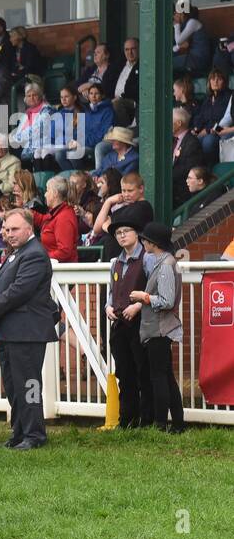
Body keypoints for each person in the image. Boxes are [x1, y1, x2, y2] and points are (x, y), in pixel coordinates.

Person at [0, 209, 59, 450]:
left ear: (29, 229)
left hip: (27, 331)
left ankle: (34, 435)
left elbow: (20, 291)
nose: (9, 234)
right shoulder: (19, 253)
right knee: (14, 385)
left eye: (15, 229)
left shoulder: (35, 254)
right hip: (11, 330)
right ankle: (19, 432)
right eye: (6, 229)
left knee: (28, 385)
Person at [130, 222, 185, 433]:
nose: (143, 242)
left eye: (145, 240)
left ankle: (161, 424)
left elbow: (167, 300)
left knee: (159, 378)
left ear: (154, 243)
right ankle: (177, 423)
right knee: (166, 378)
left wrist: (143, 297)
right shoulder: (165, 262)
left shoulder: (165, 265)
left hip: (160, 329)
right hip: (160, 328)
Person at [104, 221, 152, 429]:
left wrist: (139, 306)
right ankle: (126, 419)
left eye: (126, 231)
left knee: (144, 371)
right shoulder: (116, 262)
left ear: (137, 234)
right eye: (118, 233)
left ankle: (146, 419)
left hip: (141, 322)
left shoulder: (148, 259)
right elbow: (111, 291)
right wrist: (107, 306)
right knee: (124, 372)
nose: (122, 236)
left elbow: (154, 288)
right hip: (120, 324)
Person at [93, 172, 153, 263]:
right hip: (111, 258)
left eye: (130, 191)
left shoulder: (144, 207)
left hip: (128, 260)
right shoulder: (123, 209)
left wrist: (108, 227)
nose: (126, 194)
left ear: (141, 189)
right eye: (123, 191)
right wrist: (108, 202)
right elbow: (97, 228)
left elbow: (123, 229)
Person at [31, 176, 79, 263]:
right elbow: (43, 220)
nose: (45, 194)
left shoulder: (64, 217)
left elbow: (64, 251)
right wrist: (25, 213)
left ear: (55, 193)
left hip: (61, 271)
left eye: (47, 190)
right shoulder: (58, 212)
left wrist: (40, 258)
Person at [191, 68, 234, 165]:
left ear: (225, 82)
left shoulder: (229, 96)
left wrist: (207, 130)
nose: (215, 82)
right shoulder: (208, 98)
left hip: (220, 130)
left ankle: (210, 169)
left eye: (219, 79)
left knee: (208, 142)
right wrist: (196, 129)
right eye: (213, 79)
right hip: (206, 130)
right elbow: (201, 117)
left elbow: (224, 120)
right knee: (192, 140)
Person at [171, 107, 204, 201]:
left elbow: (187, 169)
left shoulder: (192, 143)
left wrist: (167, 176)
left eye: (170, 121)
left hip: (182, 190)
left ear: (179, 123)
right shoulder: (170, 141)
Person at [173, 8, 212, 79]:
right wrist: (174, 49)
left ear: (182, 14)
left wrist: (177, 25)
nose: (175, 16)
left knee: (169, 63)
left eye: (176, 13)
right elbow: (183, 44)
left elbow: (178, 41)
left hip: (199, 59)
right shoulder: (187, 24)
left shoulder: (193, 22)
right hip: (193, 57)